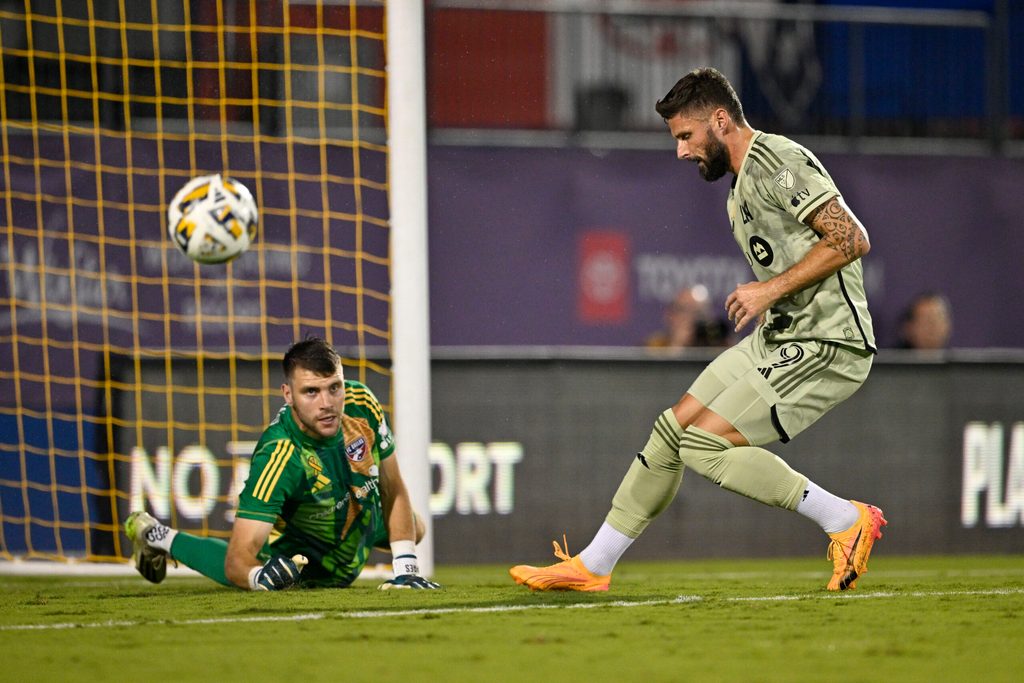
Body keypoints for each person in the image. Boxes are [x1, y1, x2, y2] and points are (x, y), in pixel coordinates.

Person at [511, 67, 886, 593]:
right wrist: (772, 298)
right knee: (671, 433)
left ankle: (845, 521)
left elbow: (852, 237)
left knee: (703, 446)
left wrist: (769, 290)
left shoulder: (776, 160)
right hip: (779, 337)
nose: (681, 152)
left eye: (686, 136)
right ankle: (594, 566)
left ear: (719, 120)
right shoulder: (738, 190)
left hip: (830, 340)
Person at [124, 336, 439, 591]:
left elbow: (393, 487)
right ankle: (156, 536)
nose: (327, 403)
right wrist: (256, 577)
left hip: (357, 515)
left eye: (334, 388)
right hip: (307, 555)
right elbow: (237, 559)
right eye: (311, 392)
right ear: (288, 394)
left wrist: (406, 569)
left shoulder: (361, 402)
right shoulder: (279, 453)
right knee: (258, 568)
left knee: (415, 527)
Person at [645, 285, 730, 349]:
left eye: (698, 313)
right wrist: (677, 346)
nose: (691, 318)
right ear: (670, 315)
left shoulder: (718, 344)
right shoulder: (656, 346)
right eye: (685, 310)